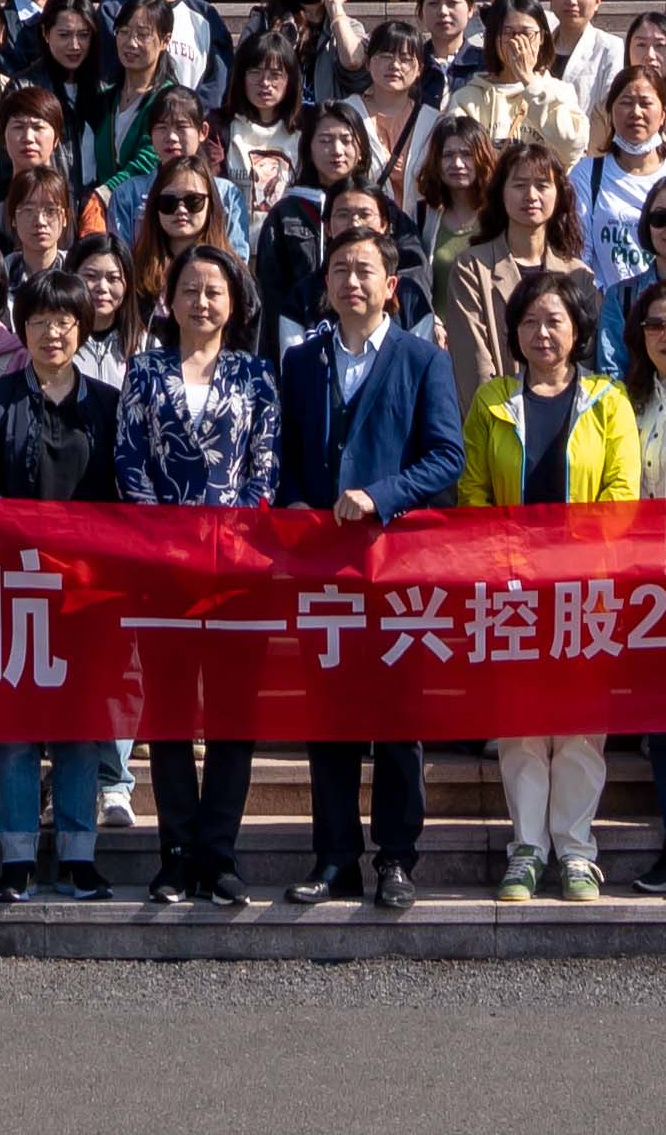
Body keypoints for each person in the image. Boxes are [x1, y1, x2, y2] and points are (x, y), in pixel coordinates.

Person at [278, 218, 460, 914]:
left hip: (396, 567)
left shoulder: (422, 360)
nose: (351, 282)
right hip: (324, 568)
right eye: (340, 271)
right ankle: (333, 857)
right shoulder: (303, 361)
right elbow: (287, 456)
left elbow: (446, 457)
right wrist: (295, 504)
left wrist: (380, 497)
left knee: (397, 720)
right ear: (324, 284)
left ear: (391, 287)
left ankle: (396, 858)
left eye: (364, 271)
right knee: (328, 719)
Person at [450, 265, 644, 899]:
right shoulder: (492, 400)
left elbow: (622, 493)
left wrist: (570, 552)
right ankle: (528, 848)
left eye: (554, 321)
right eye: (529, 321)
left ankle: (577, 851)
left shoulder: (608, 399)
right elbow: (472, 490)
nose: (541, 333)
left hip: (587, 585)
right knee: (522, 723)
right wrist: (507, 555)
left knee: (582, 725)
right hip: (512, 587)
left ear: (578, 330)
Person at [121, 246, 286, 905]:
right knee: (167, 714)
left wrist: (225, 544)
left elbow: (265, 471)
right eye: (189, 289)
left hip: (237, 573)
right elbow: (130, 461)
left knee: (231, 714)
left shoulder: (256, 375)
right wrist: (169, 542)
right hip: (161, 570)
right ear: (170, 299)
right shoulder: (145, 370)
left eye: (214, 290)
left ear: (233, 302)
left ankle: (219, 854)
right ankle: (176, 854)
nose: (201, 302)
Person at [0, 270, 128, 897]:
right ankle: (17, 858)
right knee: (18, 727)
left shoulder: (108, 404)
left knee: (81, 726)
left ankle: (80, 855)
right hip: (15, 589)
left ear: (82, 328)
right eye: (38, 321)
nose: (52, 332)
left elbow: (120, 498)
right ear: (21, 329)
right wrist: (31, 553)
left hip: (87, 592)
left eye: (64, 321)